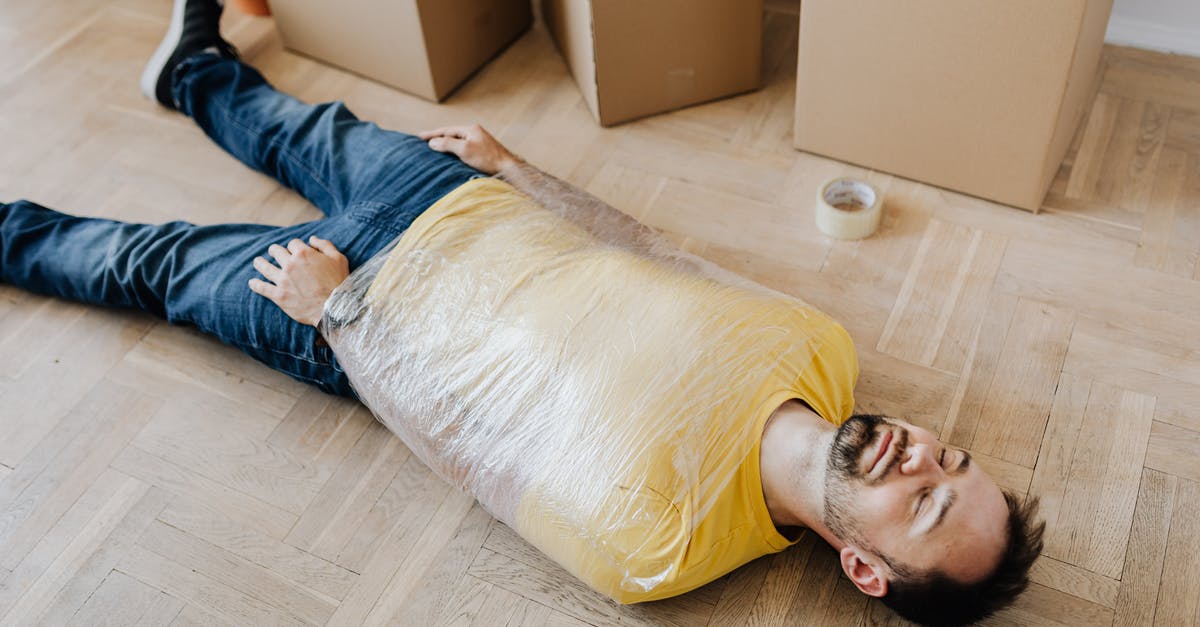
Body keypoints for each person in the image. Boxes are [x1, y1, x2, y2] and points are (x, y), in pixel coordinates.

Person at [0, 1, 1044, 624]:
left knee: (149, 263)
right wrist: (523, 171)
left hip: (363, 307)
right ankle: (196, 75)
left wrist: (343, 311)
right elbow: (660, 254)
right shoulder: (824, 351)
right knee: (298, 125)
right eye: (951, 462)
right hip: (458, 200)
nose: (923, 461)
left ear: (863, 568)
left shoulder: (664, 551)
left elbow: (460, 447)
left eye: (929, 508)